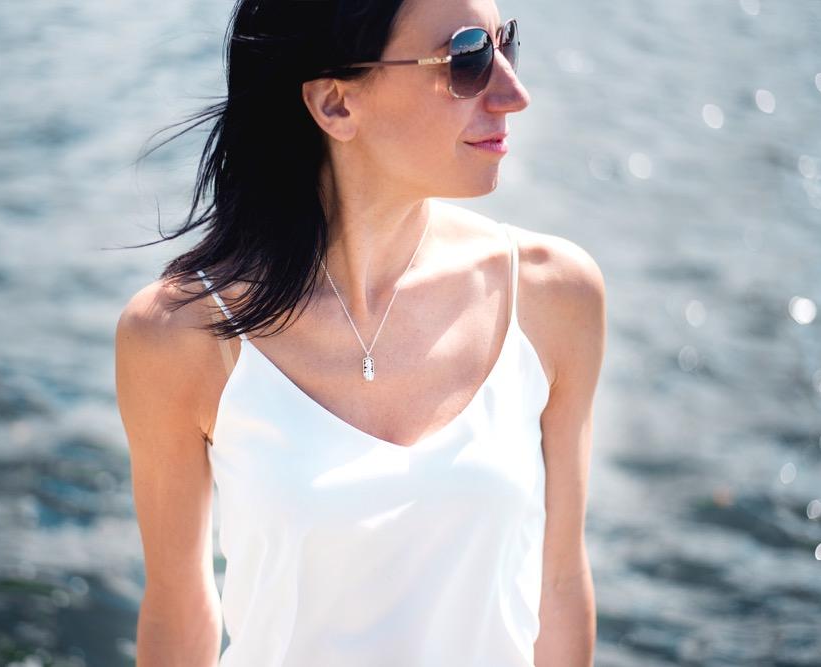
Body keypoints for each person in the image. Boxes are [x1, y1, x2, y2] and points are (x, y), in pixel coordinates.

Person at [115, 0, 604, 665]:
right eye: (467, 59)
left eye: (503, 45)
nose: (512, 94)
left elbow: (561, 583)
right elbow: (179, 604)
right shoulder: (182, 334)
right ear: (335, 105)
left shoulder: (554, 295)